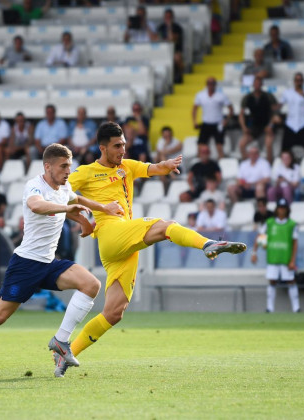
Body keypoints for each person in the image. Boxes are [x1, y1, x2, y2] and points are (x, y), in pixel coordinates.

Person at [63, 122, 246, 377]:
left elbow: (154, 168)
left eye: (124, 144)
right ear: (102, 148)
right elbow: (60, 195)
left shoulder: (127, 167)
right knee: (165, 225)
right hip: (110, 234)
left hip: (124, 246)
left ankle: (66, 352)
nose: (122, 150)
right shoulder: (86, 172)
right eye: (117, 146)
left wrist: (167, 165)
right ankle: (207, 244)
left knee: (114, 313)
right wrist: (83, 219)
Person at [0, 143, 112, 381]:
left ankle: (60, 341)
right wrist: (71, 210)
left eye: (69, 166)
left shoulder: (63, 187)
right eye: (63, 166)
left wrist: (94, 212)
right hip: (26, 264)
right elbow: (36, 205)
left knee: (90, 284)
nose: (67, 171)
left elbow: (74, 199)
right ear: (47, 166)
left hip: (49, 263)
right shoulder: (34, 186)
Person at [251, 198, 299, 313]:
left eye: (283, 208)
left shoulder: (292, 224)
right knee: (272, 281)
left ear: (287, 210)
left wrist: (292, 260)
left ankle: (296, 308)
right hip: (273, 257)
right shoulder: (269, 223)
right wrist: (254, 252)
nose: (281, 210)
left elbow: (295, 243)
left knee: (291, 280)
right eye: (280, 208)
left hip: (286, 258)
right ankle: (270, 308)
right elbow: (260, 237)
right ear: (276, 209)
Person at [238, 76, 279, 162]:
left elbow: (275, 114)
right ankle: (247, 165)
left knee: (268, 144)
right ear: (253, 84)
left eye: (259, 83)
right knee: (241, 144)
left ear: (262, 84)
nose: (257, 85)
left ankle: (269, 165)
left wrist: (270, 126)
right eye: (255, 83)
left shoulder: (268, 96)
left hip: (267, 124)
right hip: (255, 126)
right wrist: (244, 127)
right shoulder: (248, 97)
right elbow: (241, 114)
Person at [192, 77, 234, 159]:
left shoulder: (221, 96)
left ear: (215, 85)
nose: (211, 85)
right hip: (206, 123)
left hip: (218, 123)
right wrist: (195, 121)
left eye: (212, 84)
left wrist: (226, 120)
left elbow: (231, 109)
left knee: (219, 146)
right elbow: (194, 109)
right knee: (200, 146)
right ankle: (199, 164)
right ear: (206, 84)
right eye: (209, 83)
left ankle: (221, 165)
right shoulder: (200, 95)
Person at [279, 72, 304, 154]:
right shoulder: (287, 92)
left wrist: (303, 94)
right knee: (285, 149)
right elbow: (280, 104)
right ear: (294, 81)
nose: (298, 82)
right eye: (297, 80)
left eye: (300, 80)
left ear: (303, 81)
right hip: (290, 124)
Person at [157, 8, 184, 83]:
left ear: (173, 17)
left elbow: (172, 40)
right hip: (162, 51)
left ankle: (180, 76)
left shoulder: (177, 28)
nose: (168, 19)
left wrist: (169, 28)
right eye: (166, 17)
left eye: (169, 17)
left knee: (177, 57)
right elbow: (157, 39)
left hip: (175, 51)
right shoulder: (160, 27)